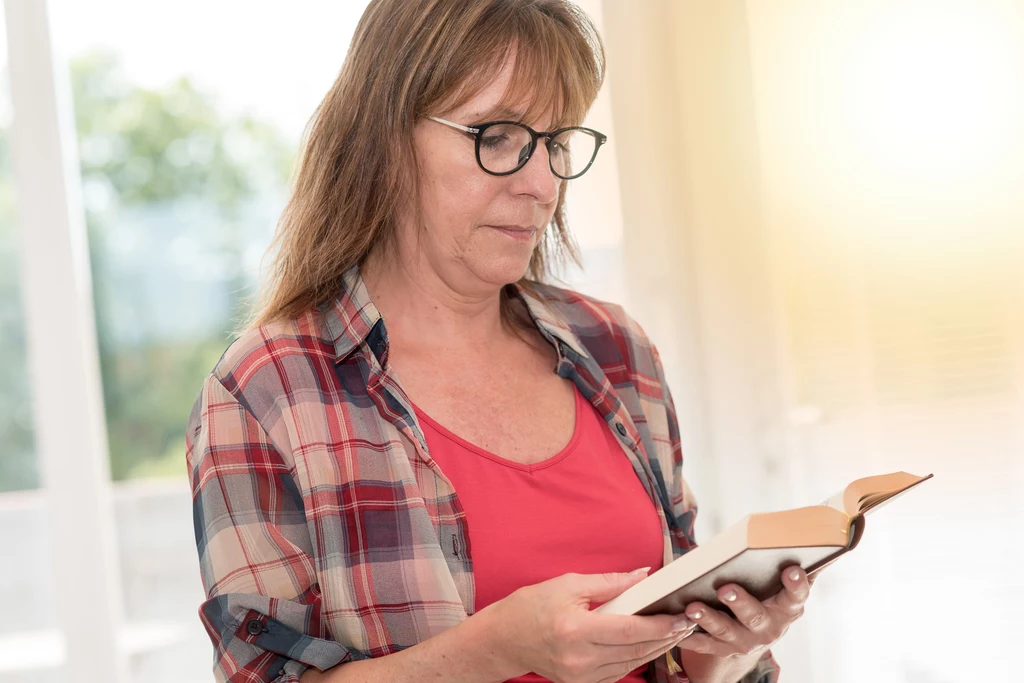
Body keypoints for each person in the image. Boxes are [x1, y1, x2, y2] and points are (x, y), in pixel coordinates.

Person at [185, 1, 811, 681]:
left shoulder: (615, 348)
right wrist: (496, 651)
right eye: (498, 136)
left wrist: (724, 643)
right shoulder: (265, 391)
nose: (541, 185)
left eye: (555, 143)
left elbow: (680, 656)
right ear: (386, 138)